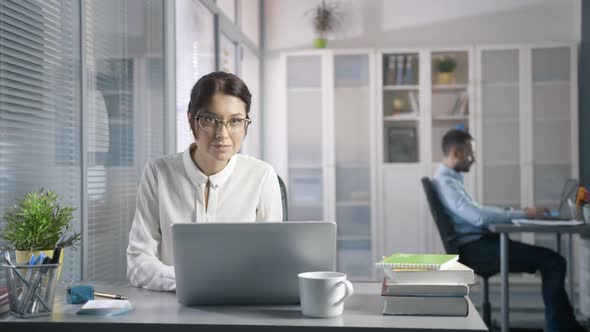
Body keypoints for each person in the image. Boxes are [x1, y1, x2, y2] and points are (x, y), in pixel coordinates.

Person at [126, 72, 283, 291]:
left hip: (240, 306)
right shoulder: (158, 173)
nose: (222, 134)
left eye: (235, 121)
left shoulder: (262, 176)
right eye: (210, 120)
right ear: (191, 119)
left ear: (246, 123)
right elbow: (138, 261)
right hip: (172, 307)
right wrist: (187, 281)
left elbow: (273, 260)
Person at [433, 129, 585, 332]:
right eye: (471, 153)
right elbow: (478, 217)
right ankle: (560, 328)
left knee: (552, 261)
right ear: (456, 153)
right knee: (554, 262)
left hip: (479, 244)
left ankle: (567, 326)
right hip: (477, 249)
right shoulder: (446, 183)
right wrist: (525, 213)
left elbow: (478, 211)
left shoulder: (450, 180)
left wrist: (515, 212)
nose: (474, 159)